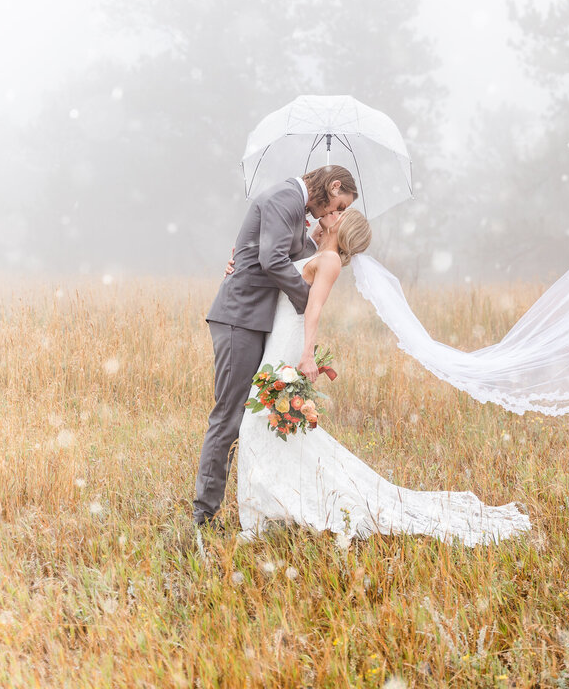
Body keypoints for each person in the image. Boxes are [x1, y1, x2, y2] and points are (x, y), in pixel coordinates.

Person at [234, 208, 531, 546]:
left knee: (258, 423)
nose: (330, 212)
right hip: (279, 339)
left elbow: (312, 308)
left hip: (289, 344)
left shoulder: (329, 260)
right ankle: (272, 507)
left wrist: (306, 355)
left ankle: (265, 514)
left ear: (341, 227)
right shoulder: (319, 253)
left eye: (337, 212)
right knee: (268, 426)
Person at [194, 165, 357, 528]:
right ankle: (203, 515)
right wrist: (308, 299)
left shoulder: (295, 210)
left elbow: (265, 255)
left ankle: (259, 501)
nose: (336, 214)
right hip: (240, 317)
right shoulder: (285, 198)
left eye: (342, 212)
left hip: (257, 320)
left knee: (249, 418)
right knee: (229, 415)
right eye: (339, 205)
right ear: (332, 187)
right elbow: (271, 261)